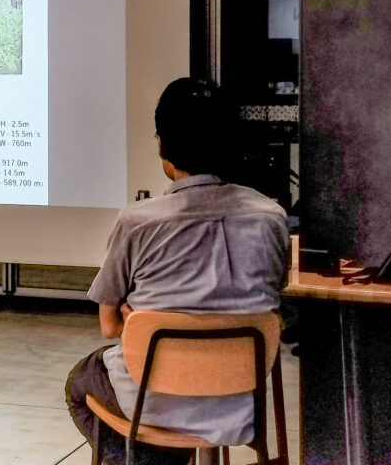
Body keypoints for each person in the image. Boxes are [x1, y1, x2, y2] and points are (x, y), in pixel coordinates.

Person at [65, 78, 289, 465]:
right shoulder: (271, 217)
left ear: (162, 146)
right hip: (238, 406)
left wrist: (140, 320)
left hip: (150, 403)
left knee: (79, 382)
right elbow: (273, 296)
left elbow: (110, 326)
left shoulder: (137, 222)